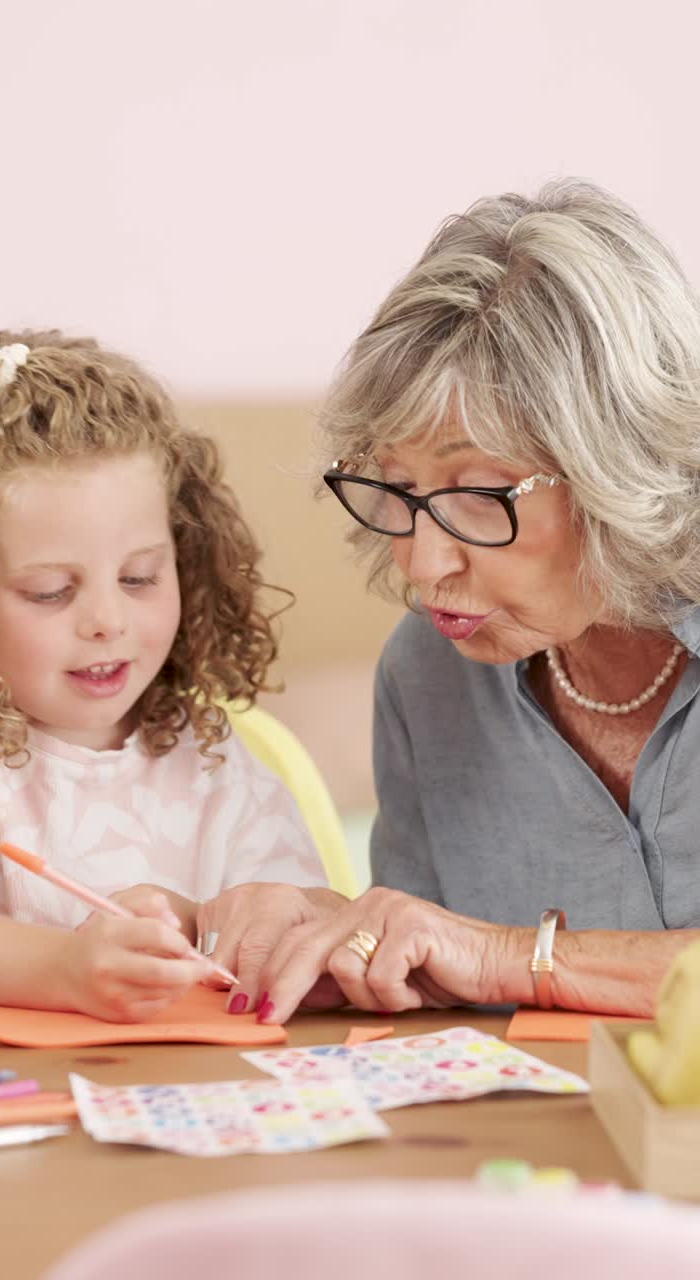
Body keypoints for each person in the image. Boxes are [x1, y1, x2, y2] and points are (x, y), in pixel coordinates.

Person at [209, 179, 700, 1025]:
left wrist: (510, 954)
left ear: (618, 470)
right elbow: (436, 980)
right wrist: (338, 950)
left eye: (481, 493)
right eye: (396, 488)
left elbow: (483, 957)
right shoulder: (426, 672)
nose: (422, 562)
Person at [0, 331, 334, 1022]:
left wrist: (208, 920)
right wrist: (62, 971)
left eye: (139, 577)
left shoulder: (212, 762)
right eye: (52, 590)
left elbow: (304, 926)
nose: (106, 620)